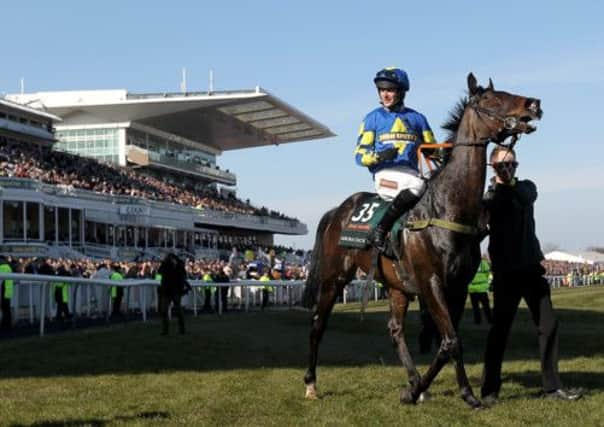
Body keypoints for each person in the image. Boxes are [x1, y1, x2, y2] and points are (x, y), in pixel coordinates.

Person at [480, 146, 582, 403]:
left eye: (513, 164)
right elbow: (494, 206)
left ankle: (552, 387)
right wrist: (499, 184)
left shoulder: (527, 187)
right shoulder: (489, 197)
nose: (509, 168)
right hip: (506, 272)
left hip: (531, 268)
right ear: (492, 167)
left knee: (549, 325)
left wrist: (508, 181)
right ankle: (489, 391)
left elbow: (524, 197)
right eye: (504, 164)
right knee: (499, 331)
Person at [355, 67, 436, 251]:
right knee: (418, 186)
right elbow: (359, 155)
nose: (385, 94)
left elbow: (432, 149)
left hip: (412, 174)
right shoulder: (372, 119)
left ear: (401, 92)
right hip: (385, 175)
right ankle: (380, 230)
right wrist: (379, 156)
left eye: (390, 90)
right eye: (382, 90)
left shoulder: (418, 119)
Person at [157, 253, 189, 335]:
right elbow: (160, 271)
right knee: (165, 310)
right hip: (168, 291)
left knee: (177, 310)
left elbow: (183, 276)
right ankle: (166, 330)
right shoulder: (166, 265)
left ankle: (181, 330)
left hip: (174, 291)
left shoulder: (179, 266)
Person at [468, 256, 493, 325]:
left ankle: (480, 321)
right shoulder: (481, 263)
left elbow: (488, 274)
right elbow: (488, 274)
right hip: (475, 289)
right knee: (480, 306)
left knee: (481, 306)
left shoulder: (481, 263)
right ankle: (487, 320)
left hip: (477, 288)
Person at [0, 255, 14, 331]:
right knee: (6, 309)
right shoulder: (8, 266)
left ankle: (5, 326)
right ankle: (8, 325)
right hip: (8, 291)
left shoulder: (1, 267)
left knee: (4, 309)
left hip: (2, 290)